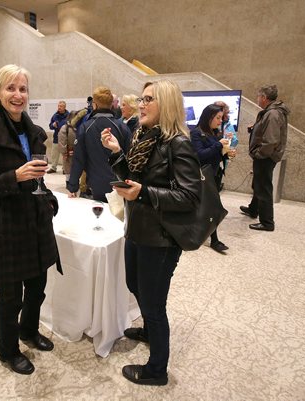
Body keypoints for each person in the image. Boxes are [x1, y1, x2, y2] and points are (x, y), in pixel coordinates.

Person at [0, 64, 62, 376]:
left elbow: (37, 177)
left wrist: (47, 196)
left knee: (38, 287)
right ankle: (8, 351)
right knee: (10, 297)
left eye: (22, 89)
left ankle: (28, 331)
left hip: (35, 222)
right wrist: (13, 177)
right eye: (11, 88)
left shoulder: (33, 133)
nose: (17, 95)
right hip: (5, 227)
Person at [101, 80, 201, 386]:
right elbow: (131, 177)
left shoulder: (178, 144)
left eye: (148, 100)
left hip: (161, 238)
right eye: (141, 99)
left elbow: (190, 197)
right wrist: (117, 153)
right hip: (138, 229)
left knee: (155, 304)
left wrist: (144, 193)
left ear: (166, 105)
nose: (141, 104)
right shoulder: (144, 138)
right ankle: (147, 330)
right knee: (135, 283)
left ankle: (157, 370)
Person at [67, 86, 132, 202]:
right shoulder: (123, 127)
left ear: (94, 105)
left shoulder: (85, 128)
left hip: (95, 186)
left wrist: (72, 186)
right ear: (111, 104)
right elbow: (130, 157)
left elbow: (78, 159)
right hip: (120, 185)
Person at [240, 84, 289, 231]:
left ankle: (267, 223)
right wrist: (254, 129)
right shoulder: (271, 112)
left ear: (264, 98)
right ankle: (253, 209)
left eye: (258, 96)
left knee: (263, 187)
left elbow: (271, 140)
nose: (257, 99)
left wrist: (259, 154)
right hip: (265, 155)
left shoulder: (272, 114)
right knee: (258, 184)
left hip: (265, 157)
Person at [190, 104, 234, 253]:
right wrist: (218, 146)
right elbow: (199, 155)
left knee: (210, 207)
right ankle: (213, 239)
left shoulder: (216, 133)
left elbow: (216, 154)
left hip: (215, 174)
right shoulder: (196, 133)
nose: (220, 121)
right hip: (202, 176)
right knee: (211, 207)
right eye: (218, 118)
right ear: (209, 117)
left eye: (221, 118)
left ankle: (209, 236)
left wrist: (227, 153)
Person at [58, 110, 80, 184]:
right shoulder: (65, 128)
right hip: (69, 153)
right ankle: (69, 183)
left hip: (79, 152)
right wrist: (64, 152)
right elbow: (62, 141)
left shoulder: (80, 127)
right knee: (68, 169)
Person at [47, 101, 69, 173]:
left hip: (65, 138)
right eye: (58, 106)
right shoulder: (55, 115)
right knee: (54, 154)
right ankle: (53, 167)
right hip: (56, 138)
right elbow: (50, 126)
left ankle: (64, 168)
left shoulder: (68, 116)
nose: (59, 107)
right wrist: (53, 125)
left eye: (61, 106)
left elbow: (72, 126)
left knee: (65, 154)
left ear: (64, 107)